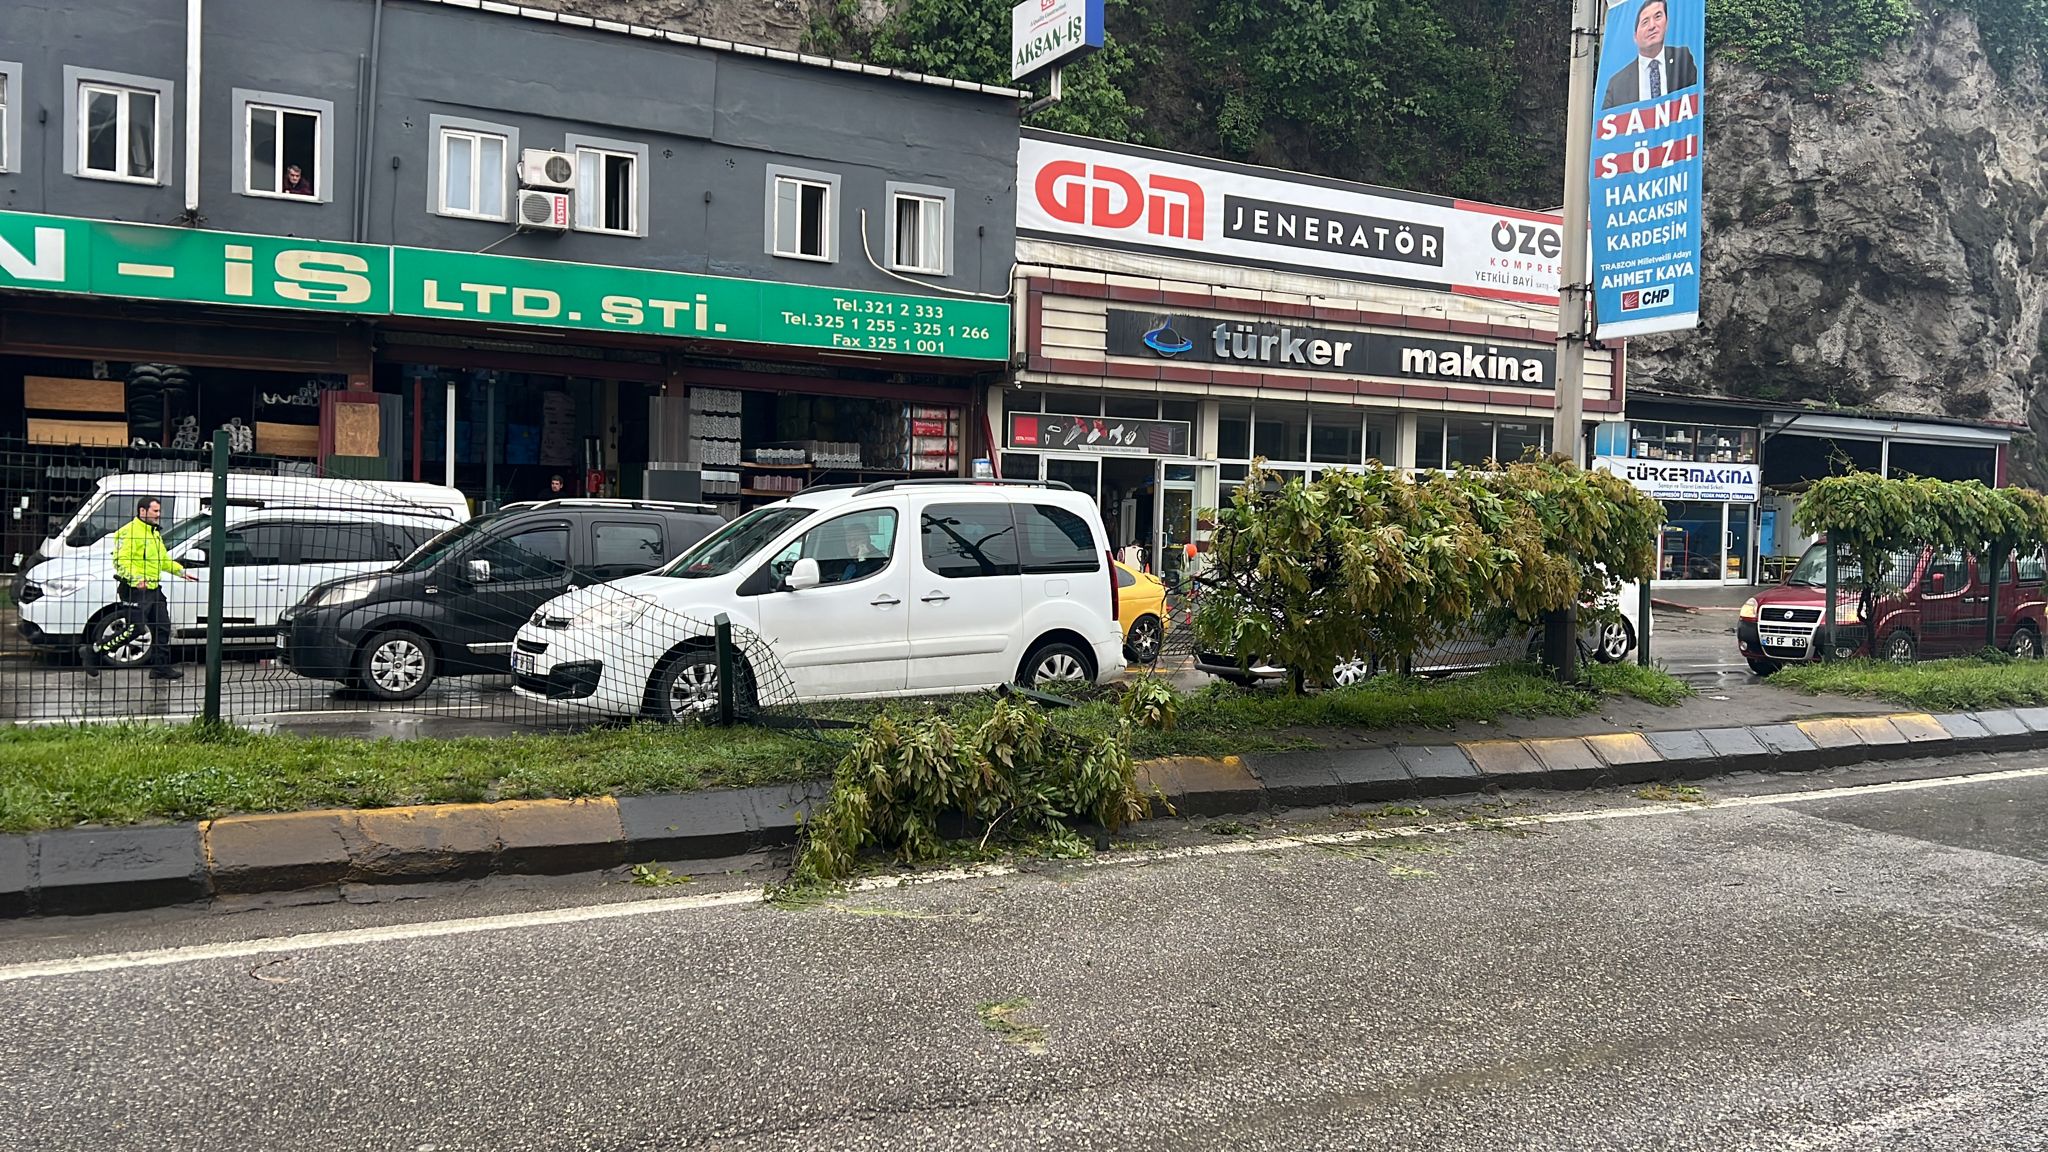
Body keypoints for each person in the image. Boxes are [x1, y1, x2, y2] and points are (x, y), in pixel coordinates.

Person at [86, 498, 197, 680]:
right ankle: (94, 651)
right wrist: (135, 579)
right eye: (155, 511)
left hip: (153, 588)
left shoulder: (154, 533)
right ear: (142, 511)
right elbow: (120, 561)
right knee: (136, 629)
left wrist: (181, 572)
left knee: (162, 627)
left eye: (159, 511)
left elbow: (162, 560)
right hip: (134, 589)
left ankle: (160, 668)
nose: (158, 515)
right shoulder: (128, 532)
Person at [1602, 0, 1698, 109]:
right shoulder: (1617, 84)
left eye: (1658, 17)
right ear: (1635, 37)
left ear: (1666, 22)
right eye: (1645, 22)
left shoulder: (1682, 59)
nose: (1652, 26)